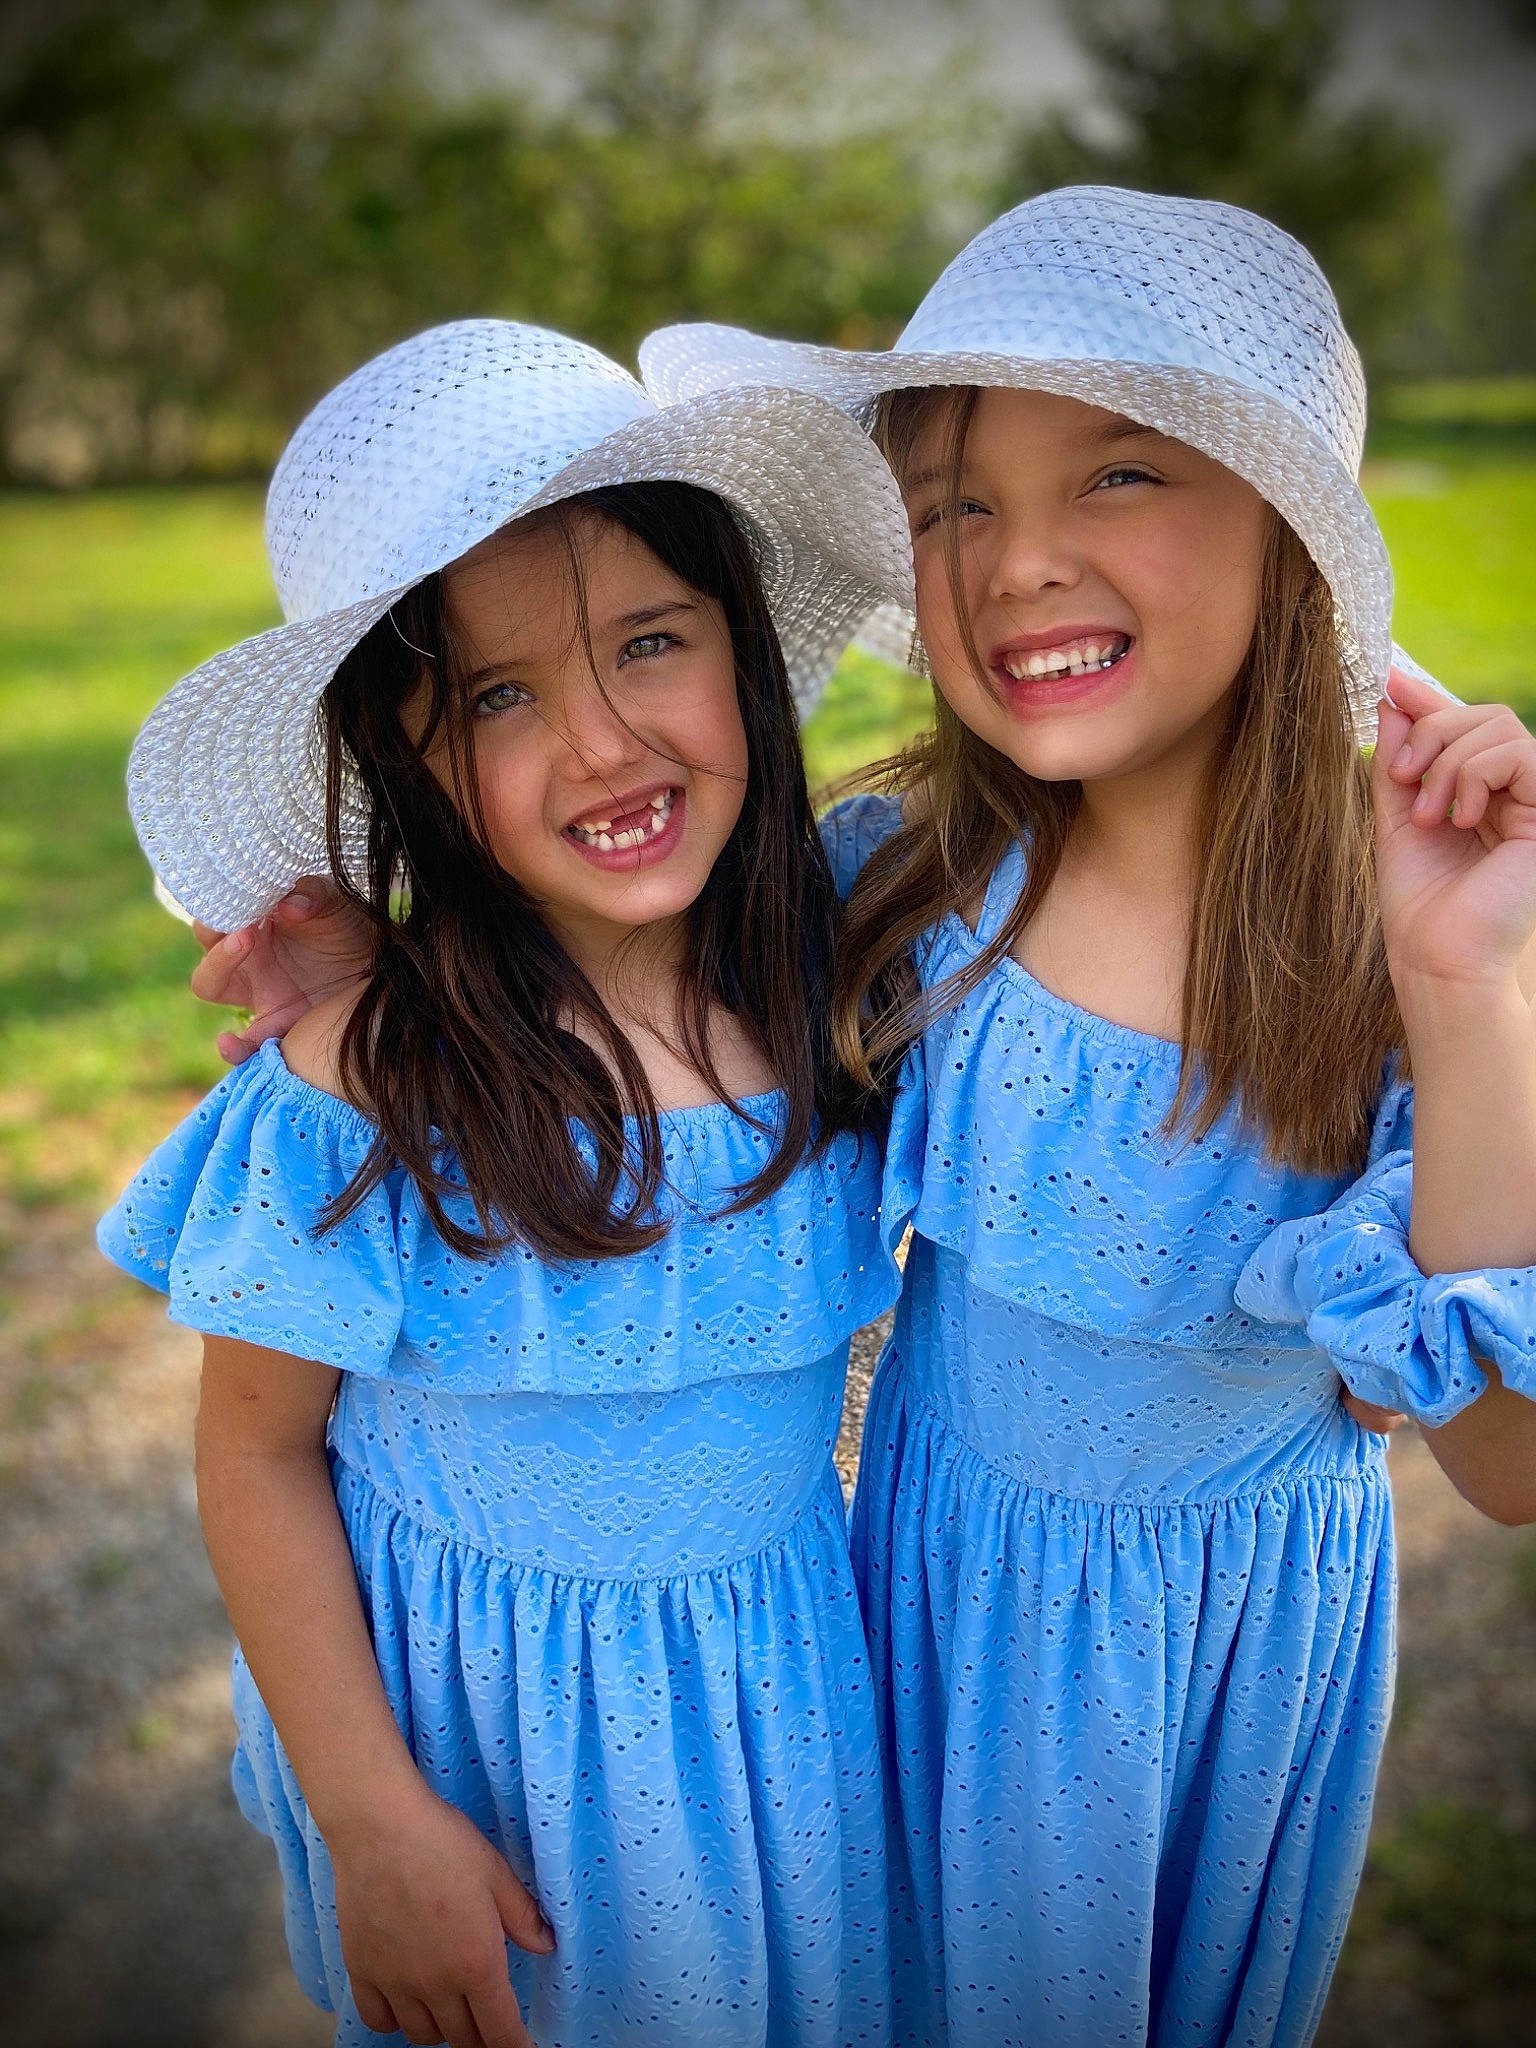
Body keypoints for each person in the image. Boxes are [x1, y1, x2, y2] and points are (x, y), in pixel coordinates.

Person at [640, 187, 1536, 2045]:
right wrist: (371, 982)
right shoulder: (899, 875)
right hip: (933, 1609)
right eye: (952, 504)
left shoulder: (1401, 936)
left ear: (1290, 530)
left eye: (1118, 475)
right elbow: (622, 1032)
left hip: (1220, 1667)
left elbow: (1512, 1470)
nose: (1015, 561)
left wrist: (1467, 994)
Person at [97, 319, 915, 2048]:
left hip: (779, 1723)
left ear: (745, 647)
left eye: (648, 644)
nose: (603, 744)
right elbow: (256, 1453)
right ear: (409, 763)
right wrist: (371, 1821)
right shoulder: (371, 1078)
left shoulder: (837, 985)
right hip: (487, 1767)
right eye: (499, 696)